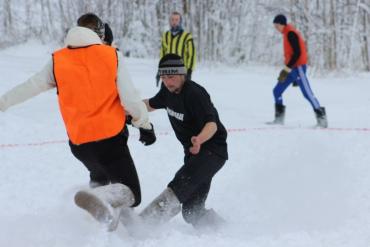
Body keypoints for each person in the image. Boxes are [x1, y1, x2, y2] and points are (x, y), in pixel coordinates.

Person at [0, 13, 156, 231]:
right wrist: (145, 125)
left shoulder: (58, 59)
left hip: (80, 144)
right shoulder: (111, 55)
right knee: (131, 192)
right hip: (110, 140)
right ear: (101, 33)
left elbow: (29, 86)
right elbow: (130, 98)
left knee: (101, 175)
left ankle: (101, 225)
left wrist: (2, 102)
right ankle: (97, 197)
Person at [141, 54, 228, 229]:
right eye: (163, 77)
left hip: (212, 151)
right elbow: (149, 104)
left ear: (182, 74)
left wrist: (199, 139)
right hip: (193, 154)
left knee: (181, 183)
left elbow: (212, 124)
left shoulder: (195, 93)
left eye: (171, 77)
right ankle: (226, 230)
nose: (167, 82)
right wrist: (124, 108)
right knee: (192, 212)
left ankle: (144, 224)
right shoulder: (167, 91)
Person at [269, 14, 328, 128]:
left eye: (276, 25)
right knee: (277, 90)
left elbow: (298, 53)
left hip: (298, 68)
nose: (276, 28)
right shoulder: (286, 34)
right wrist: (286, 70)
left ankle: (322, 119)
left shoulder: (291, 33)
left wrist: (288, 68)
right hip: (290, 68)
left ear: (282, 24)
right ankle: (279, 119)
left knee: (307, 94)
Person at [156, 11, 196, 86]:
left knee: (181, 95)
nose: (174, 22)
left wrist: (189, 71)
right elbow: (163, 54)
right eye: (172, 20)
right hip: (167, 71)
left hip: (181, 72)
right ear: (170, 21)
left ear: (180, 21)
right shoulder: (166, 35)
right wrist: (160, 70)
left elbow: (192, 55)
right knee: (165, 94)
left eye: (176, 20)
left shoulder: (187, 36)